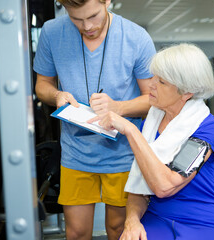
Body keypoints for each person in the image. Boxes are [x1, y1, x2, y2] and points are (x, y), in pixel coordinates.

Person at [33, 0, 156, 239]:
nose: (87, 26)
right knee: (77, 232)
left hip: (124, 153)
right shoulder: (51, 32)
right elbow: (42, 85)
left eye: (93, 16)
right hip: (75, 152)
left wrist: (118, 107)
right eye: (76, 19)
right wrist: (57, 95)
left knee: (118, 228)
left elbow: (153, 100)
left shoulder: (136, 37)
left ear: (107, 1)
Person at [90, 44, 214, 240]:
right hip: (159, 216)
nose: (151, 85)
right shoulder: (150, 124)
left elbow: (165, 186)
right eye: (154, 77)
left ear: (187, 92)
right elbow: (139, 188)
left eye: (162, 82)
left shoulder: (206, 128)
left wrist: (131, 130)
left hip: (203, 219)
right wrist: (132, 221)